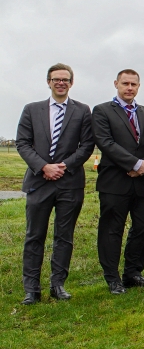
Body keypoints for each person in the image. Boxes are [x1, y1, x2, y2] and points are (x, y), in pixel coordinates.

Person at [15, 63, 94, 304]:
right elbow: (23, 143)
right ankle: (32, 288)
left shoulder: (82, 110)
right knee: (34, 235)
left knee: (64, 236)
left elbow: (87, 145)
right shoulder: (31, 109)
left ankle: (57, 284)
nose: (61, 83)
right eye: (56, 79)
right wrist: (43, 167)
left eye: (65, 79)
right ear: (48, 82)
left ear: (71, 83)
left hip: (70, 183)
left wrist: (63, 166)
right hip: (39, 182)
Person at [91, 69, 144, 295]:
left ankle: (133, 273)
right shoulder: (101, 111)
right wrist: (132, 164)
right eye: (125, 83)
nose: (129, 88)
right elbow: (105, 142)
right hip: (115, 181)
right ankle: (113, 278)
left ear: (139, 86)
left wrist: (143, 165)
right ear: (116, 84)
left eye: (133, 84)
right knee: (112, 230)